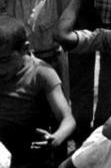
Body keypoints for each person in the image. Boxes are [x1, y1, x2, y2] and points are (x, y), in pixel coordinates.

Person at [0, 15, 75, 167]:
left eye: (4, 60)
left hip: (29, 154)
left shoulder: (42, 73)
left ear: (25, 48)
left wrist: (55, 138)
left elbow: (68, 120)